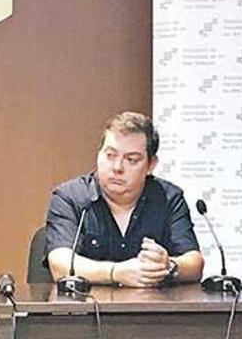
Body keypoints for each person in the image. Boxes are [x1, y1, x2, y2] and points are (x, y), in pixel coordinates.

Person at [45, 111, 204, 287]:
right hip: (86, 310)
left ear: (151, 165)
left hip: (152, 311)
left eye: (131, 160)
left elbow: (195, 264)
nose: (117, 167)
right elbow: (59, 265)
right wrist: (116, 272)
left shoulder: (168, 198)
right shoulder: (70, 198)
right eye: (110, 155)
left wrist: (168, 266)